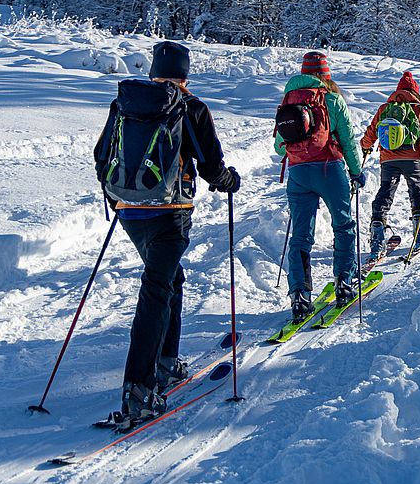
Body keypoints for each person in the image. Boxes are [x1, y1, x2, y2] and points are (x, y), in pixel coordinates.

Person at [94, 41, 240, 429]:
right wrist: (230, 181)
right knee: (156, 290)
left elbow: (100, 156)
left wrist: (124, 195)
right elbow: (211, 168)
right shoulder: (191, 108)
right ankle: (138, 390)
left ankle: (166, 362)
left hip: (129, 213)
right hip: (170, 215)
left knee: (170, 279)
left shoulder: (124, 104)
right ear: (185, 73)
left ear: (153, 72)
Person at [274, 51, 365, 320]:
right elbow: (347, 140)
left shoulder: (288, 101)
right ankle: (344, 283)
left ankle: (300, 295)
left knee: (301, 235)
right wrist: (357, 172)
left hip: (298, 173)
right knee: (344, 226)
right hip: (329, 169)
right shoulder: (332, 100)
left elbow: (279, 146)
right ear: (326, 74)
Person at [360, 70, 420, 257]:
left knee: (385, 193)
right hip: (411, 159)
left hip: (388, 160)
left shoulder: (384, 108)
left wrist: (365, 147)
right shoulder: (418, 109)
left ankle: (377, 240)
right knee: (417, 192)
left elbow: (372, 131)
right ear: (415, 92)